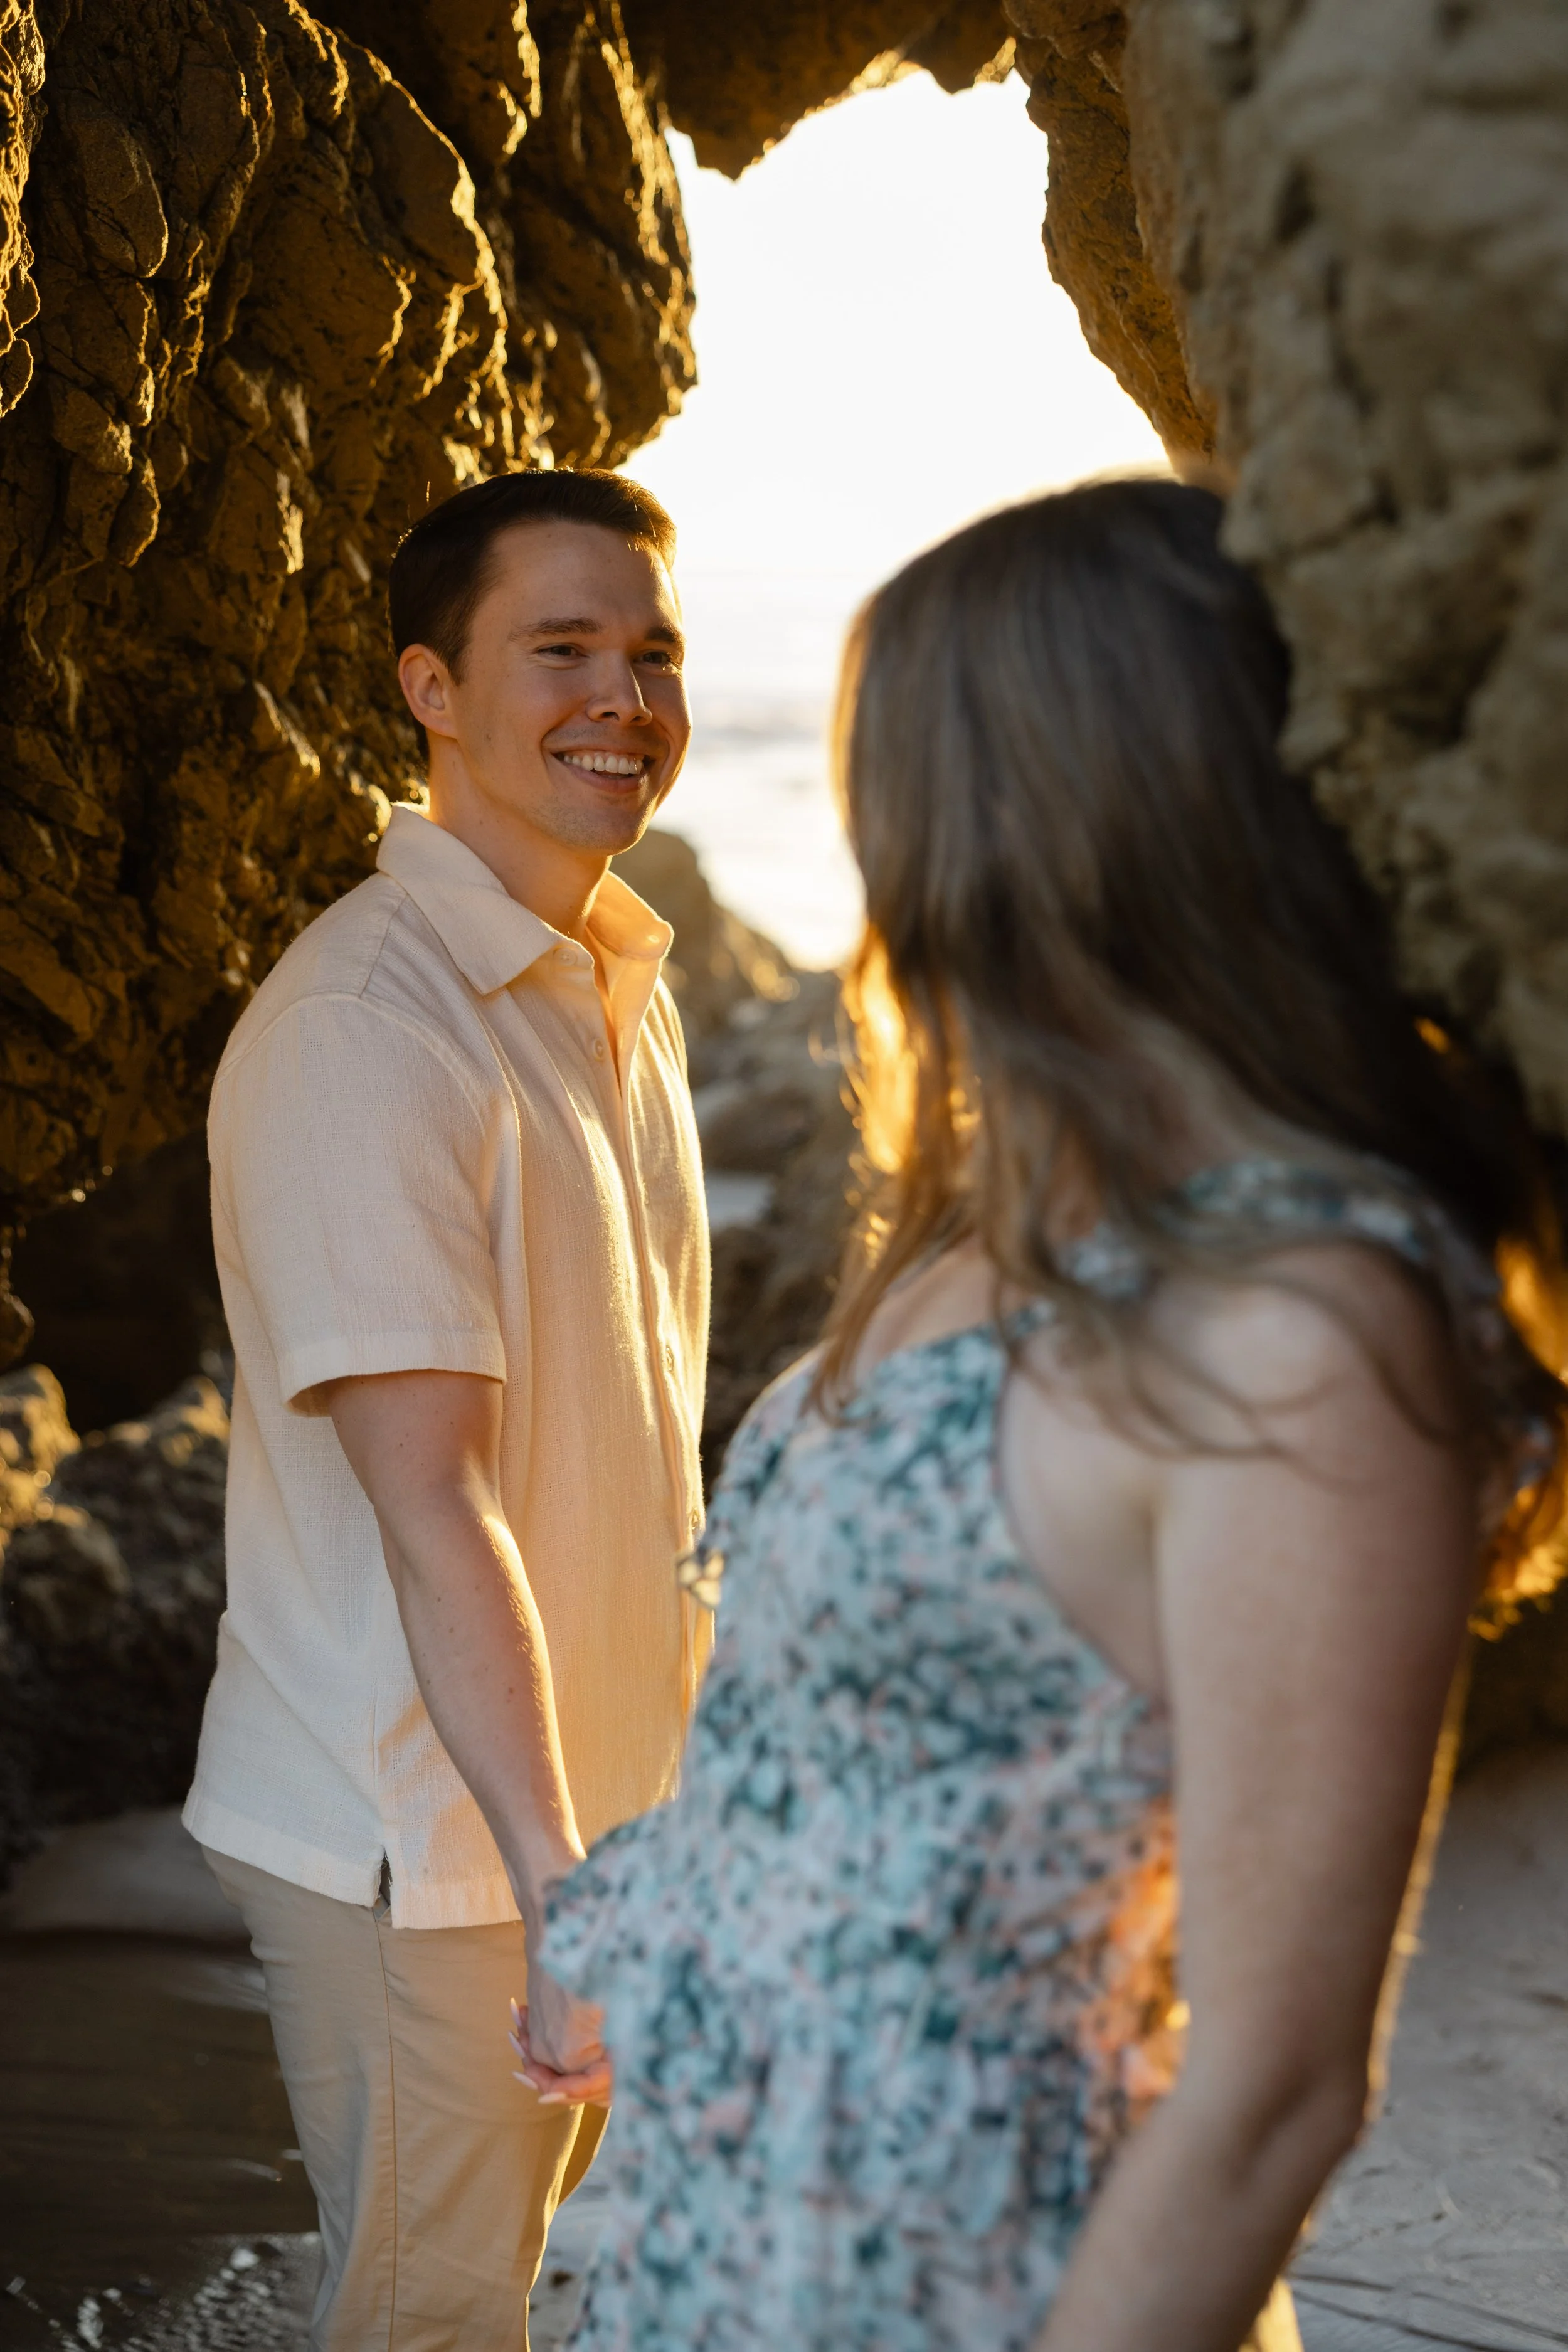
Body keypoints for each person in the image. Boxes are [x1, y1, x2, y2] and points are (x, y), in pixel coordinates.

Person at [517, 479, 1567, 2352]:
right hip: (705, 2269)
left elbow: (1275, 2085)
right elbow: (848, 1751)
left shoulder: (1305, 1323)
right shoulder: (986, 1223)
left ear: (1023, 817)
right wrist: (631, 1937)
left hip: (979, 2296)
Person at [183, 468, 710, 2348]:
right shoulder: (367, 1027)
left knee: (477, 2302)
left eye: (647, 651)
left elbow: (635, 1454)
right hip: (432, 1842)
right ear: (429, 687)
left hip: (570, 1821)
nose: (619, 698)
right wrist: (563, 1886)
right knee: (429, 2321)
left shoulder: (610, 985)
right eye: (556, 648)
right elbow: (435, 1503)